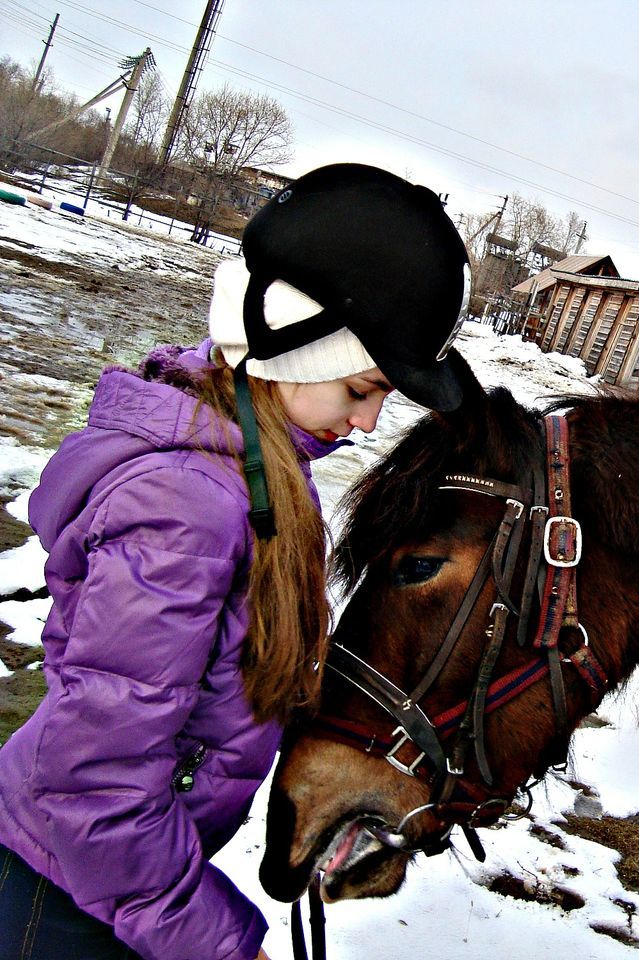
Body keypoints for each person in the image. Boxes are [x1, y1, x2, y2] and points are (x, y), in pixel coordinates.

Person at [0, 163, 470, 960]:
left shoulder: (260, 470)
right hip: (67, 903)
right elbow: (95, 783)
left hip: (115, 886)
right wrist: (218, 945)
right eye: (362, 388)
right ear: (289, 344)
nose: (367, 422)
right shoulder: (190, 504)